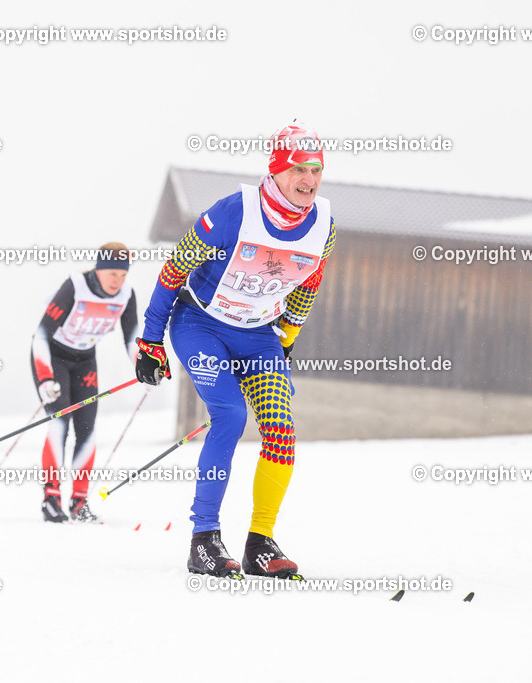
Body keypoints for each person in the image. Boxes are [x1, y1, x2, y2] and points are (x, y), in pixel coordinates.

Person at [135, 122, 336, 578]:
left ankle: (260, 543)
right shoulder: (233, 212)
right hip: (200, 323)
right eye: (299, 169)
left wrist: (286, 339)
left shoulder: (324, 225)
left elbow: (308, 285)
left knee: (281, 431)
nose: (309, 180)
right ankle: (203, 539)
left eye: (316, 170)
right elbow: (173, 270)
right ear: (276, 170)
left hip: (258, 335)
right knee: (230, 415)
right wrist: (150, 340)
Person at [31, 243, 138, 523]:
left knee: (87, 428)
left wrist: (145, 366)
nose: (118, 281)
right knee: (60, 422)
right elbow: (41, 336)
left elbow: (131, 338)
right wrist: (45, 377)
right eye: (112, 273)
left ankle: (79, 502)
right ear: (98, 269)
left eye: (123, 275)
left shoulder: (126, 294)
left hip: (85, 360)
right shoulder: (75, 286)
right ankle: (51, 498)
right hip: (54, 357)